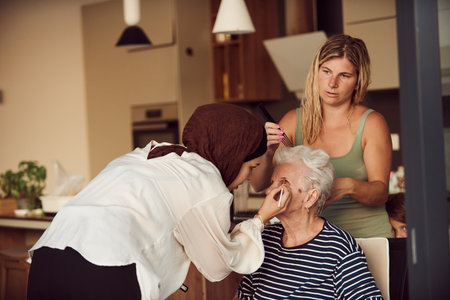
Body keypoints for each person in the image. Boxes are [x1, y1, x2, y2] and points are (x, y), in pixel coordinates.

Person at [27, 103, 289, 300]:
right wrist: (260, 219)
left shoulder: (151, 154)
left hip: (48, 257)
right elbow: (217, 265)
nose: (247, 177)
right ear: (232, 156)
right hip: (104, 266)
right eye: (251, 166)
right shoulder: (204, 178)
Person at [252, 34, 393, 238]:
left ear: (358, 81)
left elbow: (381, 193)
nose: (332, 83)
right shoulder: (292, 121)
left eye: (344, 75)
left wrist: (348, 186)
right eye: (326, 71)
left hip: (366, 237)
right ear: (316, 72)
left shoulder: (372, 123)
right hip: (310, 241)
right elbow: (258, 185)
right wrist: (267, 153)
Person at [235, 145, 383, 299]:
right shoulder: (264, 239)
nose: (269, 191)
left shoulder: (339, 248)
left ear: (310, 198)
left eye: (283, 183)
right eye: (272, 182)